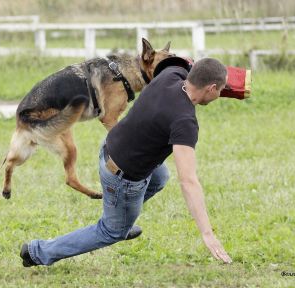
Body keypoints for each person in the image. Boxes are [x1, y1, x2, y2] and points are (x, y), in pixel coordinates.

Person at [20, 57, 232, 266]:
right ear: (211, 88)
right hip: (121, 176)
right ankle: (37, 251)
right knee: (110, 231)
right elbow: (188, 181)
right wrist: (207, 233)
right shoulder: (184, 121)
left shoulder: (171, 74)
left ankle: (122, 216)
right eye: (221, 90)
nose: (222, 94)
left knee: (160, 176)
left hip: (111, 146)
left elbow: (181, 63)